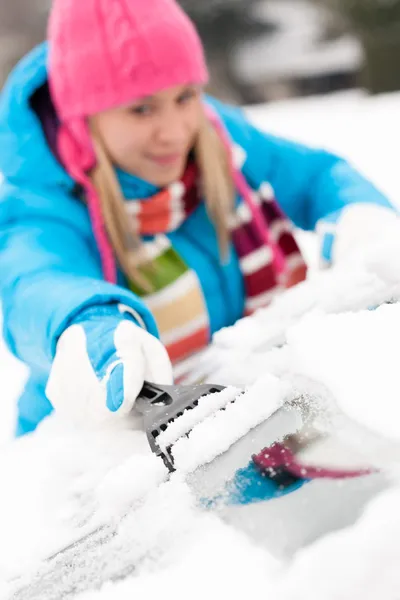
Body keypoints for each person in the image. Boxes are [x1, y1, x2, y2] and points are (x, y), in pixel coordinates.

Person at [0, 0, 397, 437]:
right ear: (84, 115)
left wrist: (359, 218)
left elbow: (317, 177)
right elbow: (38, 282)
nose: (174, 131)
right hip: (92, 461)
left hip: (236, 419)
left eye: (184, 96)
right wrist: (86, 326)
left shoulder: (221, 140)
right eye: (141, 109)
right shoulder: (44, 202)